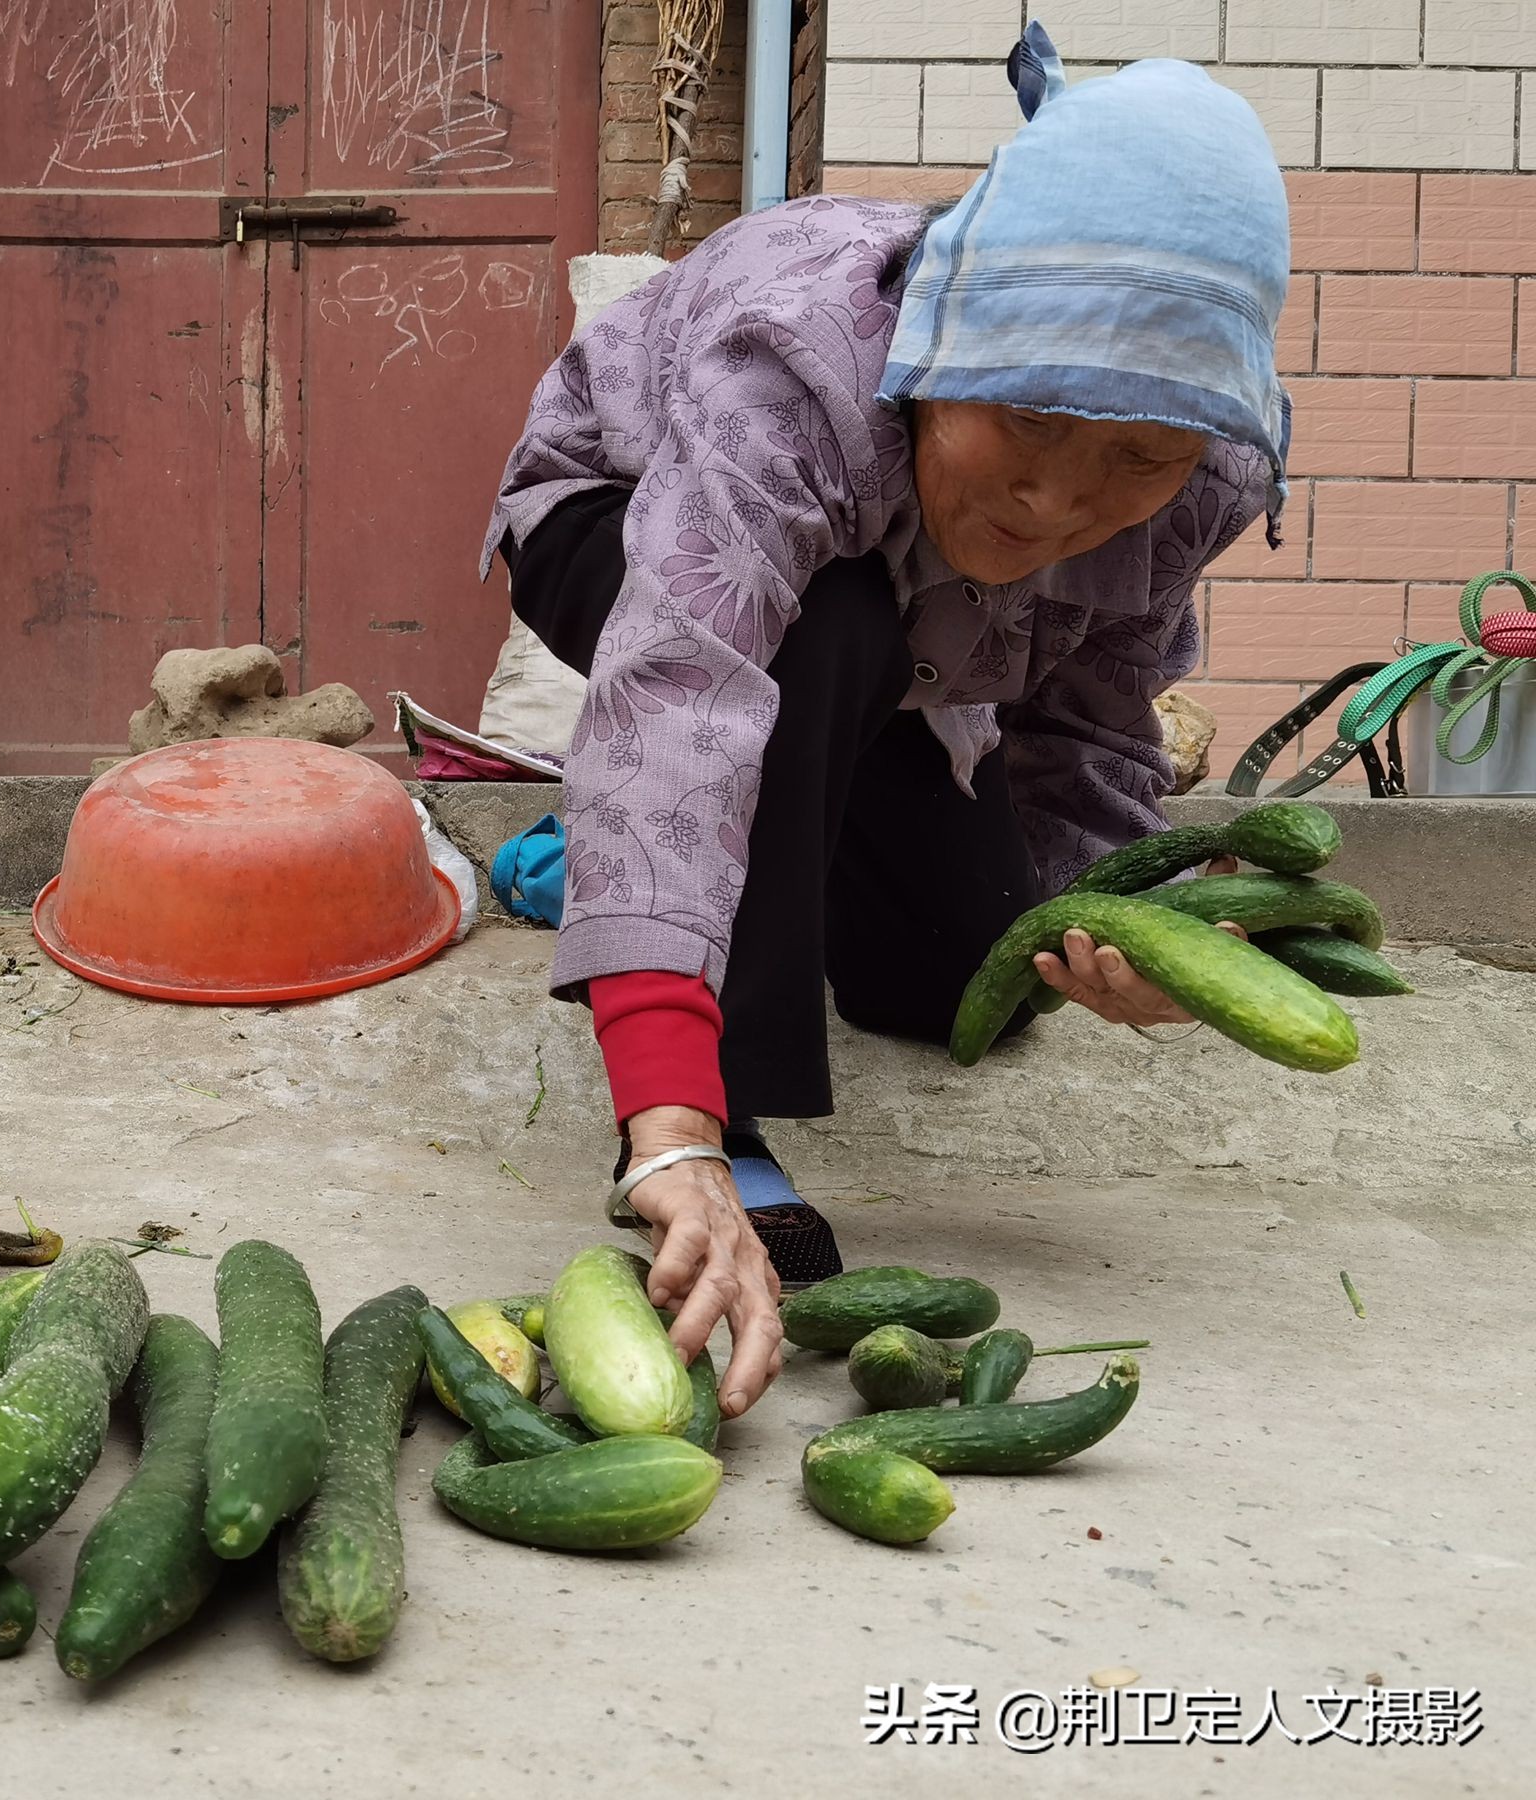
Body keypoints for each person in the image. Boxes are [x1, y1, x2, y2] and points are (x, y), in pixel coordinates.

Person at [483, 25, 1289, 1422]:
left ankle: (705, 846)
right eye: (1027, 422)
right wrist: (670, 1120)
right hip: (624, 530)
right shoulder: (794, 368)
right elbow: (687, 689)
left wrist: (1127, 933)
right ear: (947, 346)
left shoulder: (1210, 468)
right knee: (814, 637)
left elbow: (1092, 732)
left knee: (967, 980)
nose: (1055, 506)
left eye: (1136, 462)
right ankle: (703, 1046)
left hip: (903, 658)